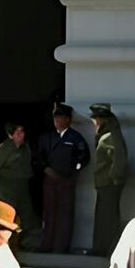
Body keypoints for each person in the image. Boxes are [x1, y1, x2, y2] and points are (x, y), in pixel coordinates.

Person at [36, 105, 90, 256]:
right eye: (56, 118)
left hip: (66, 180)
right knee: (49, 212)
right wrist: (46, 169)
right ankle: (47, 244)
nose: (58, 121)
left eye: (61, 118)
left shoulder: (75, 138)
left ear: (68, 120)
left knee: (64, 214)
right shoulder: (47, 137)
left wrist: (74, 172)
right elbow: (39, 156)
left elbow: (83, 157)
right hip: (50, 180)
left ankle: (61, 246)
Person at [0, 122, 38, 239]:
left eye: (22, 132)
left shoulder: (25, 148)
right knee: (6, 216)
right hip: (8, 187)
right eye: (17, 133)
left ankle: (25, 240)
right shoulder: (4, 148)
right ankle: (3, 240)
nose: (21, 135)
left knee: (26, 215)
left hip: (23, 186)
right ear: (10, 135)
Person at [88, 104, 130, 257]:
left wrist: (114, 178)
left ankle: (107, 248)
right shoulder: (109, 135)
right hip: (105, 183)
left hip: (108, 184)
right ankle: (101, 247)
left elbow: (119, 160)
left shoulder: (109, 137)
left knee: (108, 218)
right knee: (104, 217)